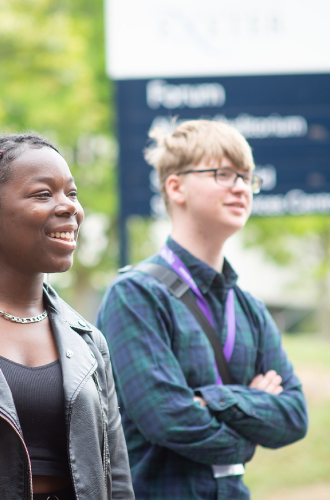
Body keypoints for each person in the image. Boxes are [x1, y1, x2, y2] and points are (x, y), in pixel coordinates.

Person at [96, 120, 308, 500]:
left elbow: (294, 415)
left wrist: (209, 399)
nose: (241, 187)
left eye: (247, 178)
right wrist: (250, 417)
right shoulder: (135, 296)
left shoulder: (249, 308)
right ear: (176, 187)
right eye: (224, 174)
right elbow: (168, 419)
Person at [0, 134, 134, 500]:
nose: (69, 208)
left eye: (72, 193)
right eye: (43, 194)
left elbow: (116, 477)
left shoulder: (87, 340)